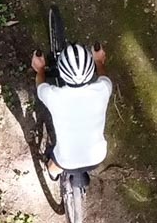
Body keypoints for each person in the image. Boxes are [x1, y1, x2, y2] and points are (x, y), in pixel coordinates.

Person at [31, 42, 112, 182]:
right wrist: (99, 61)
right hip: (97, 157)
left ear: (62, 72)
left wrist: (40, 69)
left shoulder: (53, 96)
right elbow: (102, 75)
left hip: (66, 161)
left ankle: (53, 174)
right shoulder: (104, 89)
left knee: (54, 165)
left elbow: (40, 86)